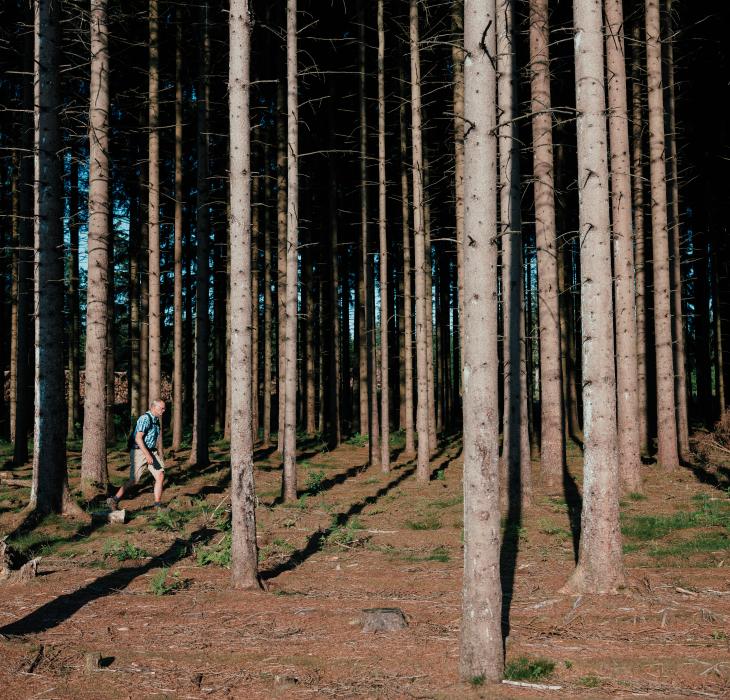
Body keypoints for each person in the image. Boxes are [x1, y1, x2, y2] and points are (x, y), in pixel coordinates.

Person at [107, 399, 166, 511]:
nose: (164, 410)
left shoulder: (156, 420)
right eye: (161, 408)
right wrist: (147, 455)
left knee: (160, 475)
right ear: (153, 407)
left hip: (151, 451)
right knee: (134, 480)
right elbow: (138, 438)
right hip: (140, 451)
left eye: (164, 408)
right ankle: (114, 499)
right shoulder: (145, 419)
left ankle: (157, 505)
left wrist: (154, 453)